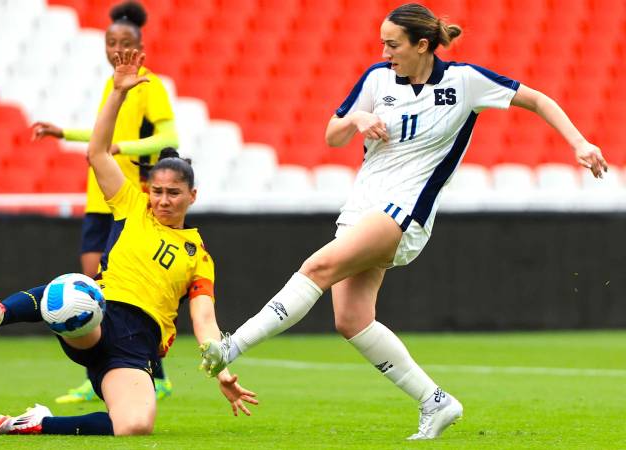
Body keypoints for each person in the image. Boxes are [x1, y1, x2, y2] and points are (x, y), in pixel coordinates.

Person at [199, 2, 608, 441]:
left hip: (404, 212)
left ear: (423, 45)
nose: (385, 51)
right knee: (352, 320)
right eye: (382, 43)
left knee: (315, 269)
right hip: (362, 207)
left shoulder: (464, 82)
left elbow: (537, 98)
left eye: (393, 44)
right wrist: (356, 118)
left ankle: (230, 346)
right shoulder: (377, 79)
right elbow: (332, 135)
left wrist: (579, 143)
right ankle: (436, 401)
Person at [0, 49, 257, 436]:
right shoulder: (133, 206)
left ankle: (37, 423)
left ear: (193, 196)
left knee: (134, 426)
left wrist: (220, 369)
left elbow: (204, 321)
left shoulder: (199, 257)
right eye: (157, 191)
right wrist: (118, 93)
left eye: (173, 192)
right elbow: (97, 153)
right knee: (77, 294)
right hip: (99, 315)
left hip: (138, 344)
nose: (163, 200)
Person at [31, 1, 178, 404]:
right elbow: (101, 139)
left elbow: (169, 141)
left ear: (140, 45)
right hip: (97, 196)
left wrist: (123, 147)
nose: (116, 48)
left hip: (127, 201)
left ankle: (143, 369)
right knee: (92, 281)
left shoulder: (150, 85)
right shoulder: (111, 84)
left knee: (112, 286)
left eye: (125, 42)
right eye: (111, 41)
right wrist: (63, 132)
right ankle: (102, 365)